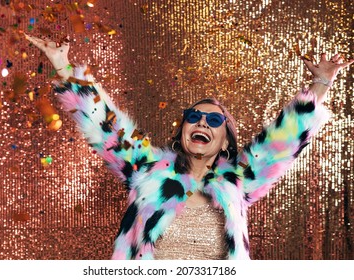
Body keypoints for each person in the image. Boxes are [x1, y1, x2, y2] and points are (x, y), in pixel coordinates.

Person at [25, 33, 353, 260]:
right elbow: (105, 124)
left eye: (213, 121)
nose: (201, 123)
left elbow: (284, 141)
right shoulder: (146, 170)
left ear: (226, 142)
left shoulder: (240, 179)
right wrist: (62, 64)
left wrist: (321, 82)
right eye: (194, 117)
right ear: (182, 129)